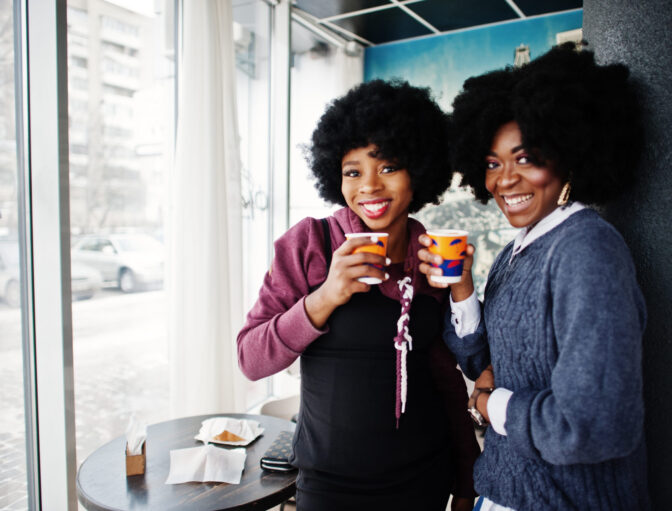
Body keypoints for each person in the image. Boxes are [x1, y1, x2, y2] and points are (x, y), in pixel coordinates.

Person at [418, 43, 650, 510]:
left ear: (567, 155)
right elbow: (484, 362)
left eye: (526, 158)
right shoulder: (515, 250)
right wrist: (463, 287)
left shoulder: (587, 250)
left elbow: (591, 427)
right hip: (502, 490)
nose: (504, 179)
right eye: (491, 162)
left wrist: (489, 404)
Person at [237, 79, 479, 511]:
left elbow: (445, 379)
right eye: (353, 171)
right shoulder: (309, 244)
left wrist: (466, 477)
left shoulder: (432, 258)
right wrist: (325, 297)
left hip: (424, 482)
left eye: (388, 167)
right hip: (330, 487)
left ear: (419, 171)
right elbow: (251, 360)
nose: (369, 185)